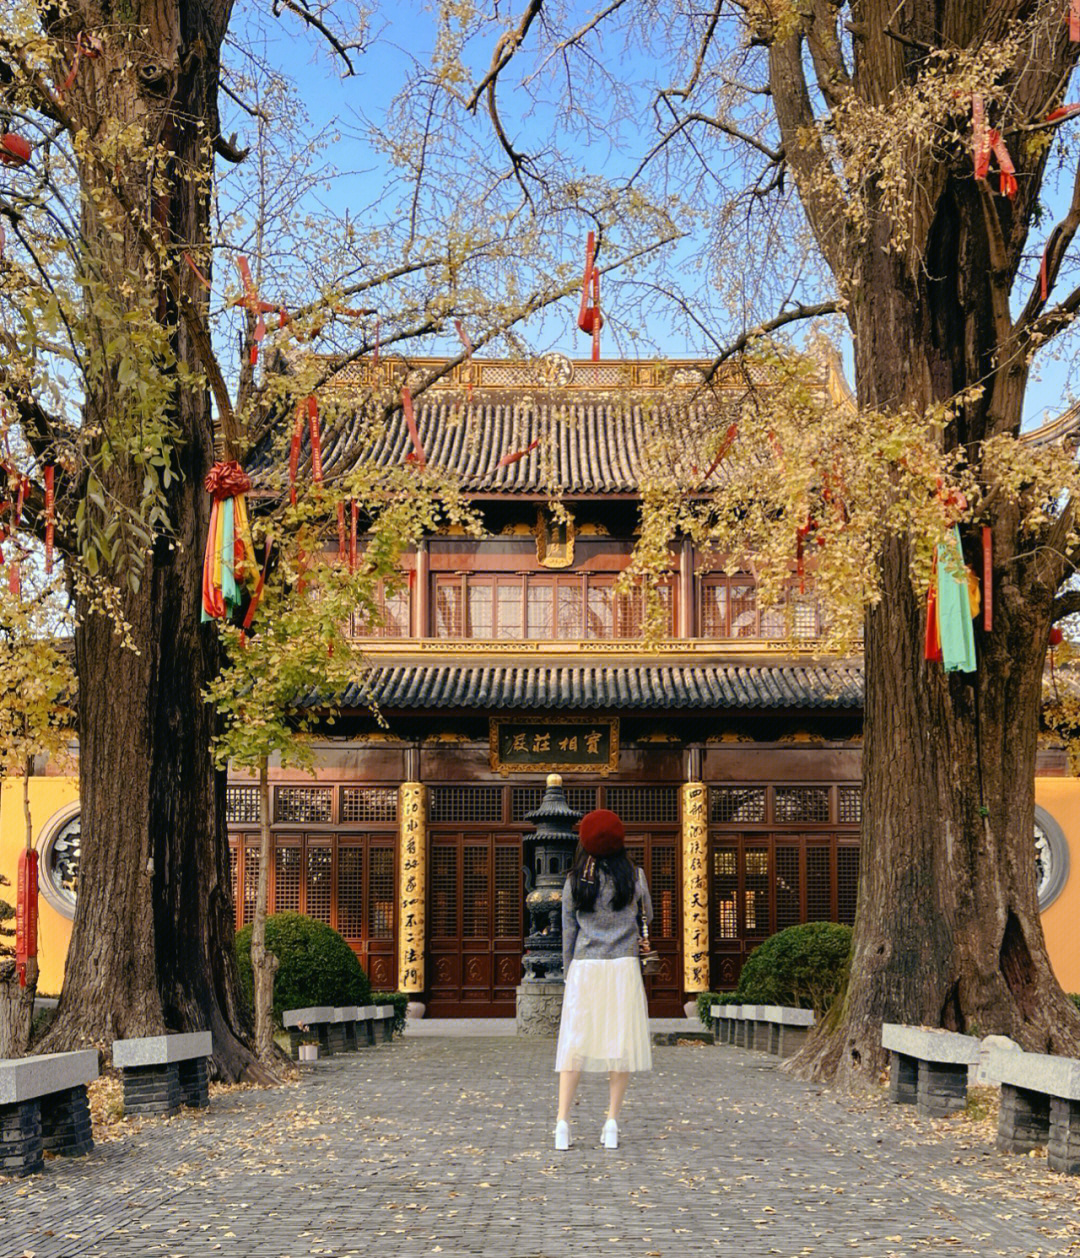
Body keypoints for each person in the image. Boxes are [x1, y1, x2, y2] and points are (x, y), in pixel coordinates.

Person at [554, 808, 653, 1151]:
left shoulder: (574, 880)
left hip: (586, 966)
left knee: (574, 1044)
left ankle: (562, 1124)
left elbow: (568, 931)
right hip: (624, 966)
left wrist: (569, 972)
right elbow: (648, 915)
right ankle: (611, 1122)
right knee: (620, 1043)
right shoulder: (635, 876)